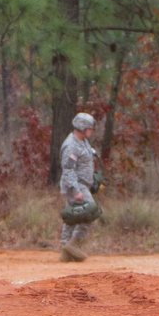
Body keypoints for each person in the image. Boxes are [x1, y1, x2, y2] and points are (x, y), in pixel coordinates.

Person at [58, 112, 103, 262]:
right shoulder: (71, 146)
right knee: (90, 212)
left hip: (83, 184)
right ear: (82, 128)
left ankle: (66, 251)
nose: (91, 131)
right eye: (89, 128)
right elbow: (68, 169)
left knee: (72, 217)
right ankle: (74, 245)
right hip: (76, 185)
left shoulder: (83, 141)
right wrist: (76, 190)